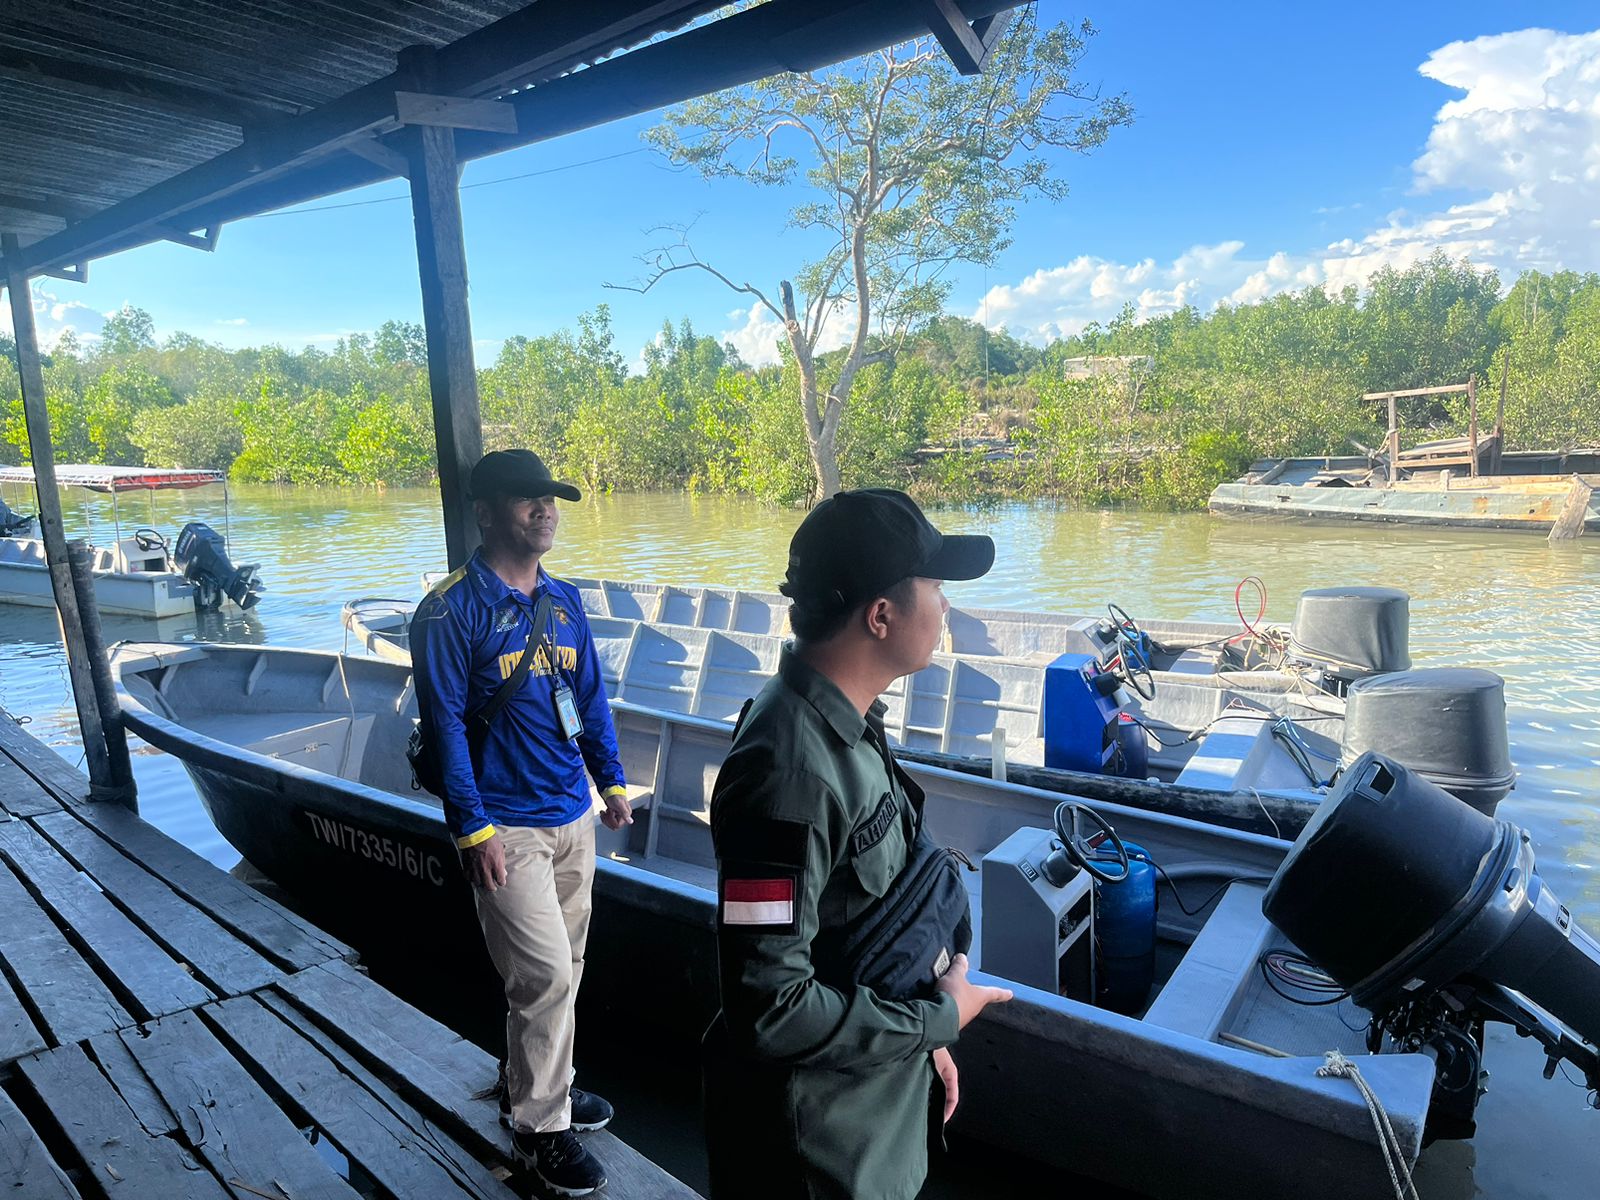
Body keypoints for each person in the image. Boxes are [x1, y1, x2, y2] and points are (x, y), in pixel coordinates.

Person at [703, 488, 1015, 1200]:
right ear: (880, 615)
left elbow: (860, 927)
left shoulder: (850, 724)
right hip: (817, 1148)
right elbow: (770, 1009)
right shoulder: (785, 775)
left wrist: (920, 1048)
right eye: (935, 586)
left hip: (875, 1107)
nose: (946, 606)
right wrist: (937, 1020)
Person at [412, 449, 632, 1197]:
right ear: (485, 513)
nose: (545, 511)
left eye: (551, 499)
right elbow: (444, 726)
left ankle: (540, 1084)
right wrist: (471, 830)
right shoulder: (450, 611)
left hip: (573, 816)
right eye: (526, 499)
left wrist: (610, 782)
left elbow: (590, 700)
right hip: (504, 827)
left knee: (567, 967)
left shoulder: (564, 602)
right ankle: (541, 1130)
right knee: (542, 976)